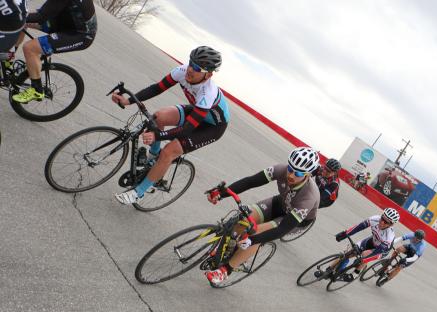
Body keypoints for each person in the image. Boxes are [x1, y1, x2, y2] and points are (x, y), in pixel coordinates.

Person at [111, 46, 230, 205]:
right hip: (197, 112)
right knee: (158, 117)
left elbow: (188, 129)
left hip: (212, 127)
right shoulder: (182, 71)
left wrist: (157, 135)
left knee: (168, 152)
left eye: (196, 68)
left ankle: (138, 192)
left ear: (208, 74)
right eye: (190, 63)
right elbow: (157, 88)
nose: (190, 69)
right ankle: (153, 158)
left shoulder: (208, 92)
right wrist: (128, 101)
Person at [205, 147, 320, 286]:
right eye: (290, 168)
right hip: (281, 203)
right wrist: (221, 194)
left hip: (294, 220)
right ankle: (228, 248)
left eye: (298, 173)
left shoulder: (309, 196)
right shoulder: (281, 169)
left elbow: (282, 229)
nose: (291, 175)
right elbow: (250, 182)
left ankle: (226, 270)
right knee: (244, 218)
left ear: (308, 175)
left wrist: (253, 240)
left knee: (257, 233)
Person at [12, 0, 97, 103]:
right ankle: (9, 57)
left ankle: (37, 90)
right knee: (20, 22)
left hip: (80, 35)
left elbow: (40, 17)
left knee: (30, 48)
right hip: (64, 23)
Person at [325, 207, 400, 282]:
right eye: (382, 218)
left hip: (381, 251)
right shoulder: (375, 219)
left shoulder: (389, 236)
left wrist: (363, 259)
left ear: (391, 225)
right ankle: (328, 270)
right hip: (372, 241)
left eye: (386, 222)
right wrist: (345, 234)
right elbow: (358, 227)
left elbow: (376, 252)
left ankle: (355, 274)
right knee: (347, 252)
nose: (382, 222)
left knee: (365, 255)